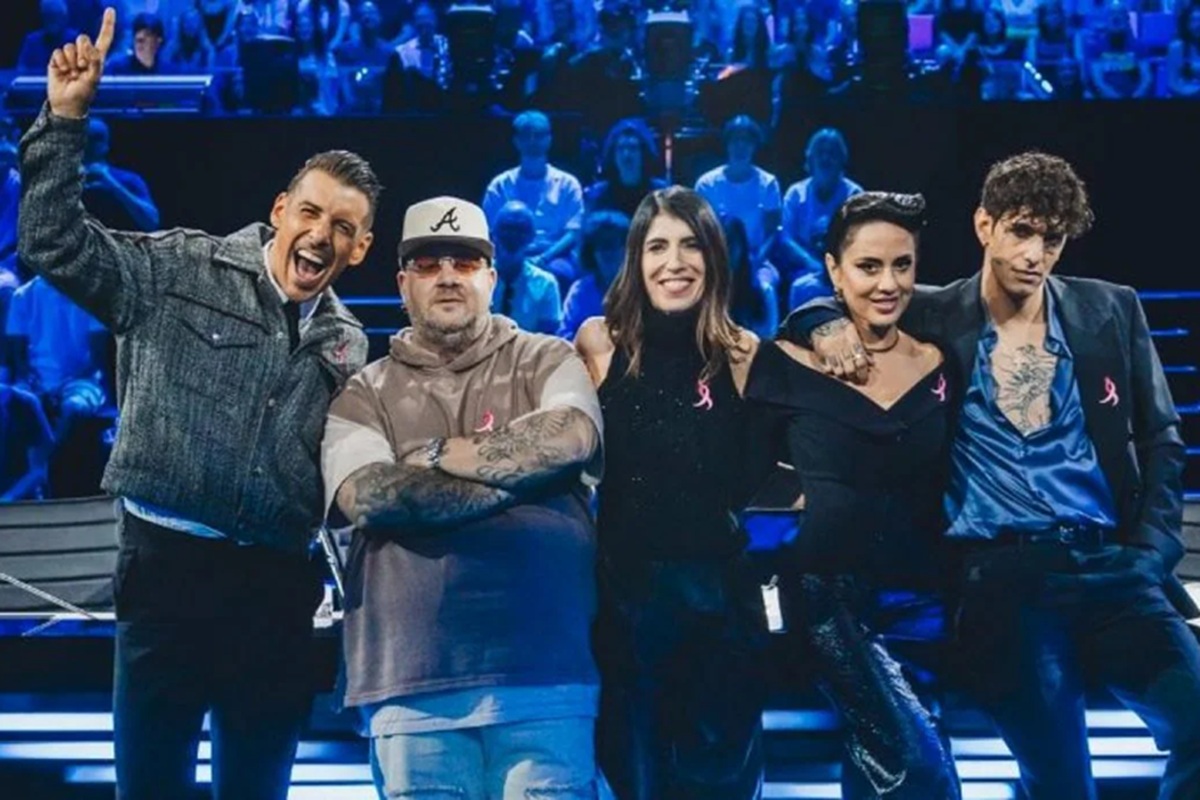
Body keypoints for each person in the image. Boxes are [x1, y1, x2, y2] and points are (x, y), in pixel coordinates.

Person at [18, 9, 380, 798]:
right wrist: (65, 120)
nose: (320, 234)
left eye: (343, 227)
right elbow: (51, 243)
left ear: (359, 249)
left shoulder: (350, 344)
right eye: (311, 212)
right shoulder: (179, 267)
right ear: (280, 210)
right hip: (168, 575)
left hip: (276, 593)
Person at [782, 151, 1200, 799]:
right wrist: (823, 319)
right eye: (1021, 232)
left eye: (1052, 239)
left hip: (1114, 571)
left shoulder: (1109, 309)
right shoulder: (932, 315)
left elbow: (1162, 438)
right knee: (1061, 779)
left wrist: (1151, 553)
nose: (1036, 254)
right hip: (1002, 580)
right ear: (984, 225)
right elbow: (831, 292)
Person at [322, 196, 603, 799]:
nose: (448, 276)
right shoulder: (362, 392)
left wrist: (427, 456)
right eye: (428, 264)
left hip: (545, 674)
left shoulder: (547, 358)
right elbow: (372, 498)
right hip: (410, 685)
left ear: (492, 279)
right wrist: (522, 477)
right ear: (403, 284)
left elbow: (570, 439)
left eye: (466, 262)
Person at [745, 192, 960, 799]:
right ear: (834, 271)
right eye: (868, 266)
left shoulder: (941, 361)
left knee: (881, 759)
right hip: (829, 600)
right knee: (920, 767)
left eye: (902, 265)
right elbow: (744, 476)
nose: (888, 283)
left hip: (923, 602)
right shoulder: (785, 360)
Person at [575, 186, 768, 800]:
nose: (674, 262)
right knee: (637, 781)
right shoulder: (598, 343)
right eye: (657, 247)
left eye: (690, 245)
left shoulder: (742, 352)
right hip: (625, 605)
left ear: (714, 256)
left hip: (719, 605)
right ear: (636, 259)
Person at [482, 111, 585, 288]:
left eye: (538, 135)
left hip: (553, 255)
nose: (532, 141)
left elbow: (573, 233)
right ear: (516, 141)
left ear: (549, 139)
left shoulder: (568, 183)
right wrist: (512, 258)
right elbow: (490, 231)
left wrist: (543, 258)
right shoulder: (500, 185)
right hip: (507, 255)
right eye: (526, 135)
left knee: (561, 273)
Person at [490, 200, 563, 335]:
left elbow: (548, 339)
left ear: (532, 237)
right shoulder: (479, 278)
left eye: (520, 229)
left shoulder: (546, 284)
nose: (513, 235)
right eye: (507, 228)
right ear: (494, 233)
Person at [558, 210, 627, 340]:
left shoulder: (642, 289)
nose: (607, 252)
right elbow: (565, 334)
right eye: (601, 246)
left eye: (612, 245)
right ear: (591, 252)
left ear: (627, 249)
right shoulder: (580, 290)